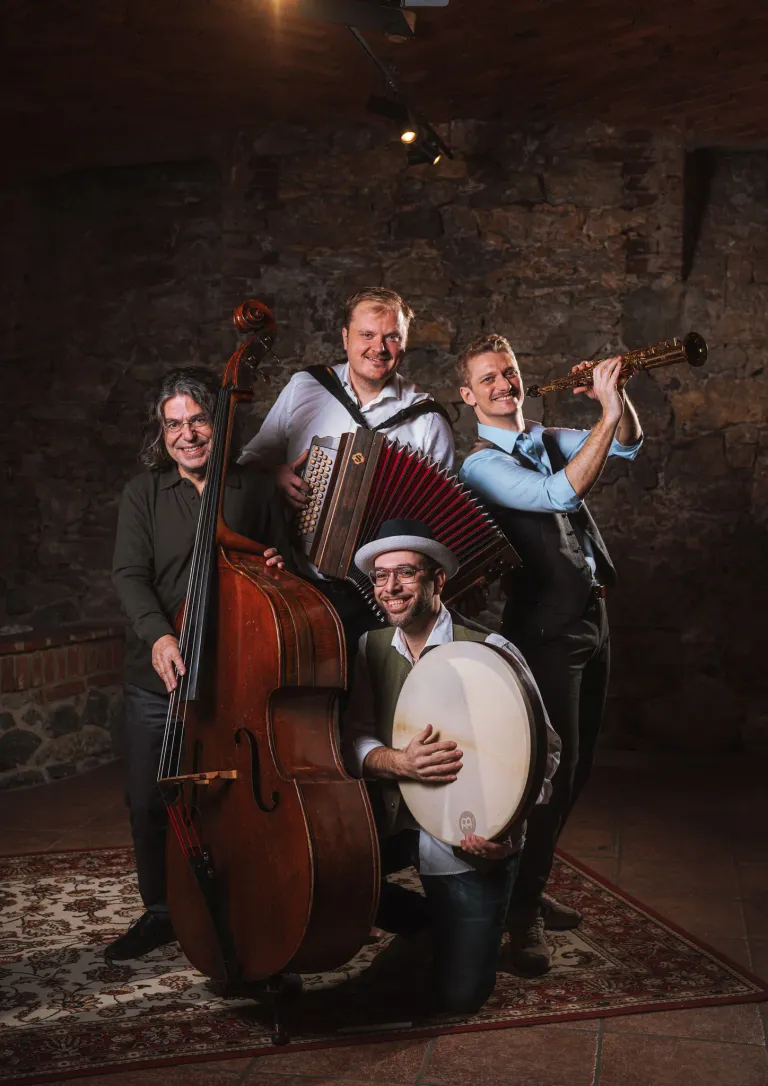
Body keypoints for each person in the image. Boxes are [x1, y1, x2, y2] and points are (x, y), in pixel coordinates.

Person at [457, 333, 643, 976]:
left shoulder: (542, 436)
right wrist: (606, 412)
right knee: (548, 775)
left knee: (581, 766)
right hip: (543, 629)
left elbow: (626, 444)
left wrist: (617, 399)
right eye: (488, 378)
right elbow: (559, 495)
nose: (503, 384)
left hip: (591, 617)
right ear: (468, 395)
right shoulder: (481, 465)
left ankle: (530, 888)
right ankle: (519, 916)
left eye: (508, 371)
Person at [108, 367, 292, 961]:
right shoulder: (143, 494)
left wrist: (276, 568)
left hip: (236, 672)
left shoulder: (254, 490)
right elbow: (129, 576)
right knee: (149, 799)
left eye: (198, 420)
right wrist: (161, 636)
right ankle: (161, 911)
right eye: (173, 425)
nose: (186, 435)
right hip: (158, 675)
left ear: (220, 423)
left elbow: (287, 566)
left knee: (232, 799)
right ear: (161, 433)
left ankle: (240, 898)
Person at [344, 518, 560, 1014]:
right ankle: (427, 923)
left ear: (437, 579)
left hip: (465, 832)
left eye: (405, 573)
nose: (391, 588)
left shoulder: (489, 650)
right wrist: (398, 762)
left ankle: (462, 928)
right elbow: (354, 736)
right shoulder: (370, 647)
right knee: (318, 870)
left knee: (459, 998)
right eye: (381, 577)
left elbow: (544, 752)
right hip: (394, 823)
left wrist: (507, 830)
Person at [239, 287, 455, 653]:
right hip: (300, 583)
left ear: (404, 344)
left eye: (391, 337)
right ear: (345, 338)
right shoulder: (306, 388)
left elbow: (443, 518)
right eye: (367, 335)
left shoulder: (427, 420)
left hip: (385, 599)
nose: (378, 348)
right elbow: (248, 464)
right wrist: (274, 476)